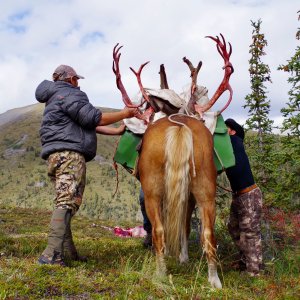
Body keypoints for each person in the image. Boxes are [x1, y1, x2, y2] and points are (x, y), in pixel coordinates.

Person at [35, 64, 138, 266]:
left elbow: (85, 123)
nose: (78, 83)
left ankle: (67, 251)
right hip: (70, 156)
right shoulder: (71, 94)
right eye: (77, 79)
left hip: (56, 155)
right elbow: (93, 117)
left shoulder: (55, 96)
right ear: (71, 79)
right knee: (66, 202)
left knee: (64, 201)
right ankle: (50, 255)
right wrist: (125, 114)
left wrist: (116, 131)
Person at [224, 118, 263, 277]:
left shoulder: (235, 142)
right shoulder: (231, 145)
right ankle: (245, 261)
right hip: (239, 195)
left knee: (250, 231)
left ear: (232, 131)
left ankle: (254, 271)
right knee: (233, 227)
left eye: (225, 128)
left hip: (249, 195)